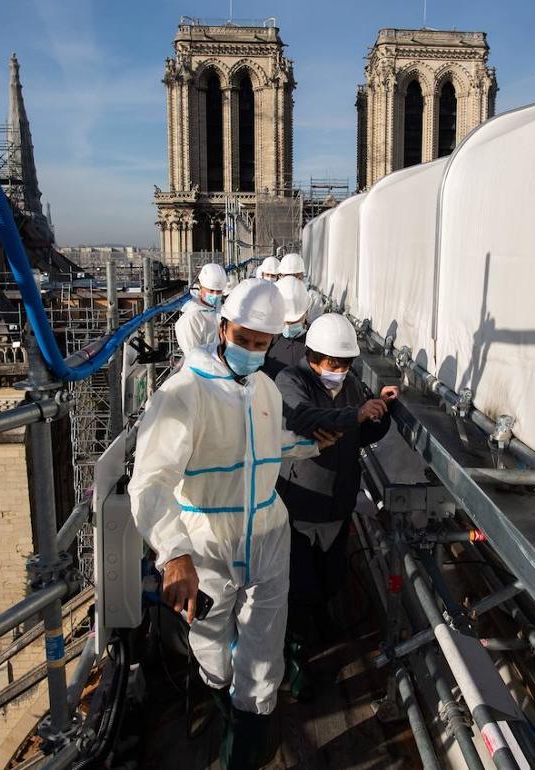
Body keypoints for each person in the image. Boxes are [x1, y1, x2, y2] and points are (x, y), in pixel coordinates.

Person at [129, 279, 325, 769]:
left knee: (263, 648)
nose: (253, 351)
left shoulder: (262, 389)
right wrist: (173, 554)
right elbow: (150, 483)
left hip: (267, 535)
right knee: (212, 643)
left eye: (263, 344)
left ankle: (248, 741)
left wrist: (316, 442)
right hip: (207, 545)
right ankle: (224, 701)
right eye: (245, 340)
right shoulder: (184, 393)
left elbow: (266, 448)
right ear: (222, 328)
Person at [274, 314, 399, 696]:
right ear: (313, 356)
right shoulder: (290, 382)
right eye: (334, 364)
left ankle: (322, 618)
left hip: (337, 502)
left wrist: (380, 410)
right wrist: (356, 413)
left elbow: (358, 432)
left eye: (346, 364)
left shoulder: (348, 387)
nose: (340, 371)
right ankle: (295, 666)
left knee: (330, 577)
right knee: (296, 587)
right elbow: (305, 418)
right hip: (300, 504)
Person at [263, 275, 310, 380]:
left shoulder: (315, 342)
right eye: (286, 322)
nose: (289, 327)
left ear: (306, 312)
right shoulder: (267, 342)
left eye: (295, 321)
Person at [175, 262, 228, 356]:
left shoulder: (216, 310)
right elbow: (194, 357)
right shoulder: (191, 318)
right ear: (200, 287)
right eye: (211, 290)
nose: (215, 295)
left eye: (219, 291)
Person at [276, 252, 323, 322]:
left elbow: (315, 325)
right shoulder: (273, 292)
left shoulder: (312, 297)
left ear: (300, 276)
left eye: (292, 276)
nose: (289, 280)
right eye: (285, 276)